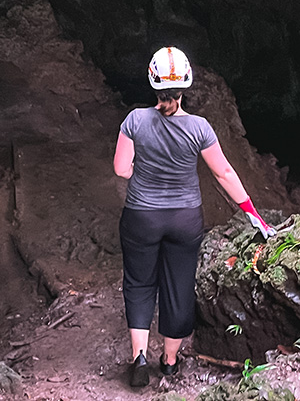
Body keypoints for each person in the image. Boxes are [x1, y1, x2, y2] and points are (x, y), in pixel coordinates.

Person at [113, 46, 273, 388]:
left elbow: (120, 169)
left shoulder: (135, 121)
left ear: (153, 83)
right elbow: (224, 173)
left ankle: (139, 356)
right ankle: (169, 362)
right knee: (179, 285)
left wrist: (142, 168)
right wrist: (251, 212)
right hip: (185, 219)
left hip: (141, 216)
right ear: (186, 86)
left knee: (140, 283)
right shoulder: (200, 128)